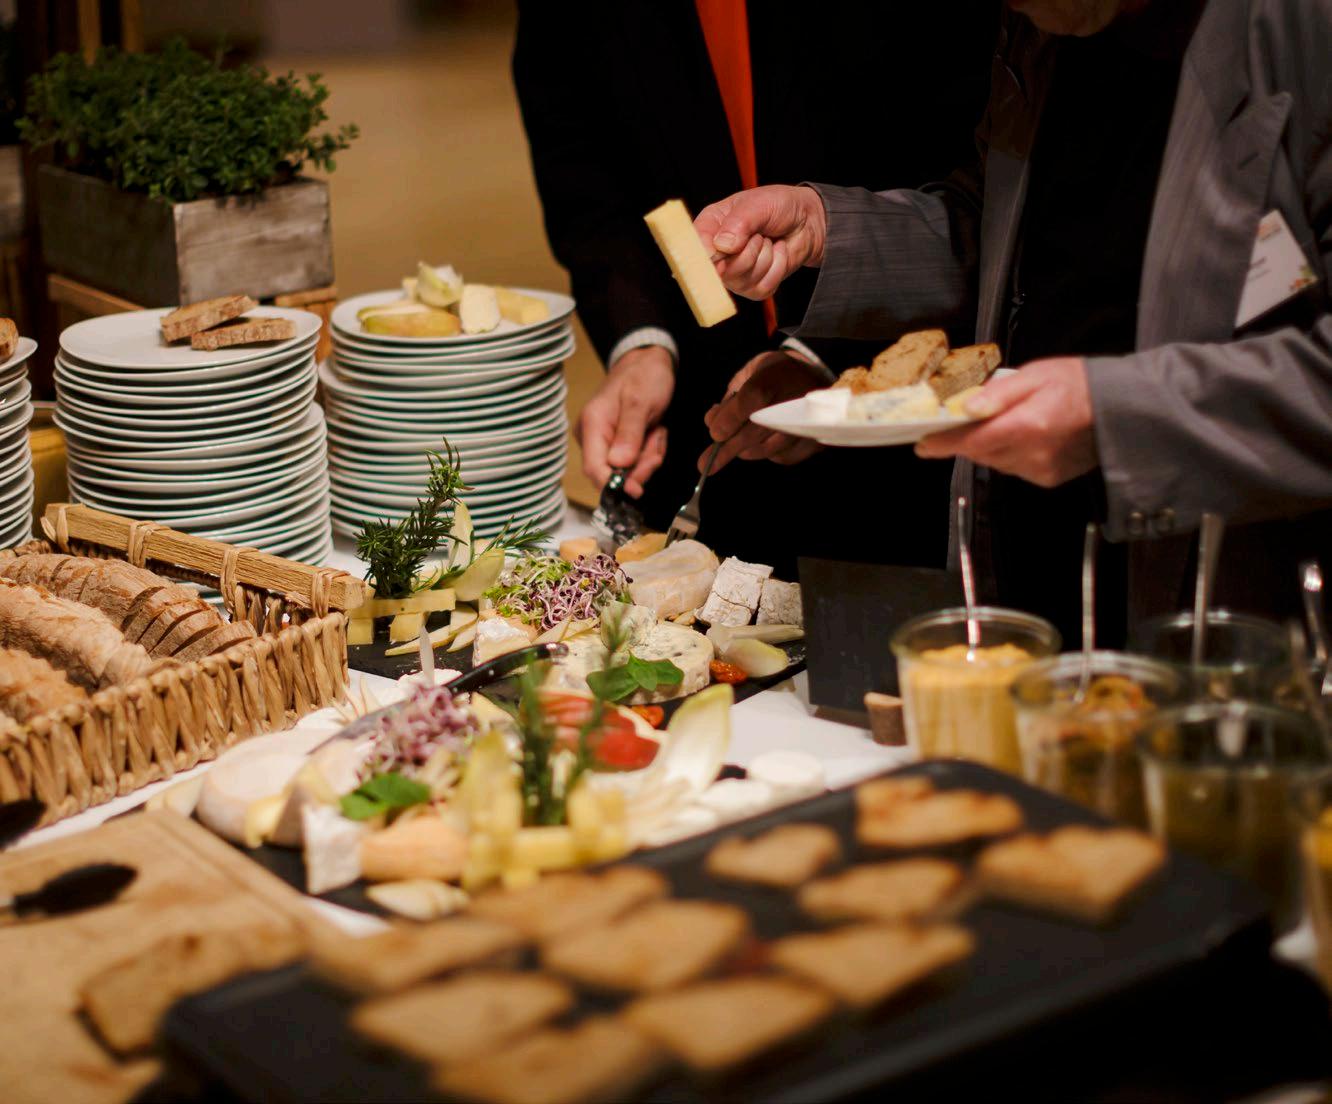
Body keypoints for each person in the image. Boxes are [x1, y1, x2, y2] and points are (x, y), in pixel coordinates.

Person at [694, 0, 1332, 641]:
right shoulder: (1039, 25)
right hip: (1022, 577)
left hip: (1233, 616)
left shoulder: (1300, 29)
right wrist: (822, 228)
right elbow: (995, 234)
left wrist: (1112, 418)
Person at [512, 0, 997, 575]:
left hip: (904, 434)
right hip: (699, 422)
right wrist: (641, 342)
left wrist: (822, 354)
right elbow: (583, 166)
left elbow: (961, 167)